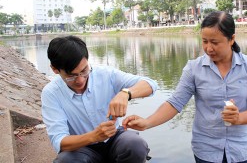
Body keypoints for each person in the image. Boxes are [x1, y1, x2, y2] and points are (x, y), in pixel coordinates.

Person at [123, 11, 247, 163]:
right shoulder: (194, 68)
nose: (209, 48)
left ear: (232, 39)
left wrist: (239, 118)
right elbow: (175, 103)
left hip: (244, 151)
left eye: (215, 42)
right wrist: (147, 122)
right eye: (205, 41)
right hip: (207, 151)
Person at [41, 35, 159, 163]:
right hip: (81, 147)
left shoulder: (106, 75)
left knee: (135, 144)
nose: (80, 80)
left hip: (115, 138)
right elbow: (59, 141)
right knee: (66, 160)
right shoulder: (51, 93)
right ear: (55, 69)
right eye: (71, 75)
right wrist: (93, 136)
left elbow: (150, 84)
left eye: (84, 70)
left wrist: (126, 93)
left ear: (87, 60)